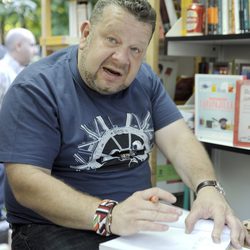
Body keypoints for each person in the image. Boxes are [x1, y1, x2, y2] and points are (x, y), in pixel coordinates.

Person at [0, 1, 249, 249]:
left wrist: (208, 187)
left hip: (135, 223)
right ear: (86, 34)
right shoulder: (36, 88)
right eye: (112, 40)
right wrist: (110, 215)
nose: (121, 58)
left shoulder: (145, 79)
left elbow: (179, 139)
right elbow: (26, 182)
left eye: (135, 49)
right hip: (55, 227)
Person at [0, 28, 36, 222]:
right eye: (31, 45)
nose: (35, 50)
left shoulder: (25, 73)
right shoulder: (1, 72)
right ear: (18, 45)